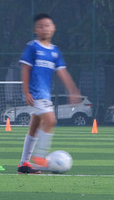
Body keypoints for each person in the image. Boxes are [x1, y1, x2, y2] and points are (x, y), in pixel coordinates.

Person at [17, 13, 81, 174]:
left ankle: (24, 164)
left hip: (44, 94)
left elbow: (62, 72)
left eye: (47, 25)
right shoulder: (33, 47)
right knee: (51, 121)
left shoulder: (55, 51)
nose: (44, 29)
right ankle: (39, 159)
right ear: (35, 29)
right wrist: (26, 91)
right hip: (35, 93)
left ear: (53, 28)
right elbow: (25, 69)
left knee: (35, 126)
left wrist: (72, 90)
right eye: (40, 26)